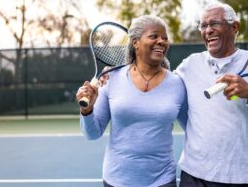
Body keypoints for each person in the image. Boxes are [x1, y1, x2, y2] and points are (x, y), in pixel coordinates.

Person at [175, 2, 248, 186]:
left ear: (234, 27)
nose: (208, 30)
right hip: (194, 176)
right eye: (203, 26)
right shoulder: (189, 65)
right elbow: (163, 91)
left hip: (244, 178)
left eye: (214, 23)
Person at [76, 15, 188, 187]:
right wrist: (87, 110)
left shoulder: (177, 84)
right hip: (116, 180)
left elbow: (194, 127)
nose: (161, 41)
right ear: (135, 42)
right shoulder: (110, 78)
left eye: (165, 38)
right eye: (154, 36)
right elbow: (92, 133)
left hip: (162, 181)